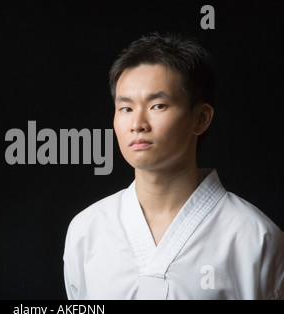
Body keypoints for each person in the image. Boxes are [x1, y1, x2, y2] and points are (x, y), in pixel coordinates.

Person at [63, 32, 283, 300]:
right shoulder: (87, 230)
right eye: (126, 108)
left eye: (158, 105)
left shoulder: (254, 238)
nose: (138, 124)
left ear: (200, 118)